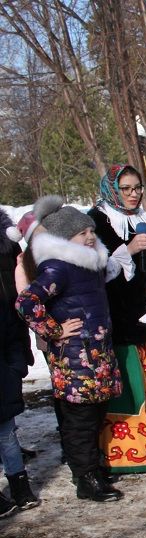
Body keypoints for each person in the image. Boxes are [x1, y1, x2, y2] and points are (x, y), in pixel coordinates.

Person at [16, 196, 124, 501]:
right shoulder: (58, 267)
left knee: (96, 411)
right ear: (64, 239)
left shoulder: (87, 265)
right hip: (75, 355)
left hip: (96, 352)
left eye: (91, 232)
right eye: (82, 234)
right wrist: (54, 330)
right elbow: (26, 302)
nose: (90, 237)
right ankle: (85, 478)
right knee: (80, 418)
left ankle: (93, 466)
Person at [90, 164, 146, 475]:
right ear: (113, 190)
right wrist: (126, 251)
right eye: (126, 188)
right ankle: (124, 452)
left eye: (137, 188)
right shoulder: (97, 223)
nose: (133, 194)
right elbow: (94, 273)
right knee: (125, 386)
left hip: (143, 321)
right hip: (112, 325)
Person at [1, 209, 39, 515]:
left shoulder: (9, 241)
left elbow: (22, 277)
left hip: (9, 332)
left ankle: (19, 485)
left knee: (6, 428)